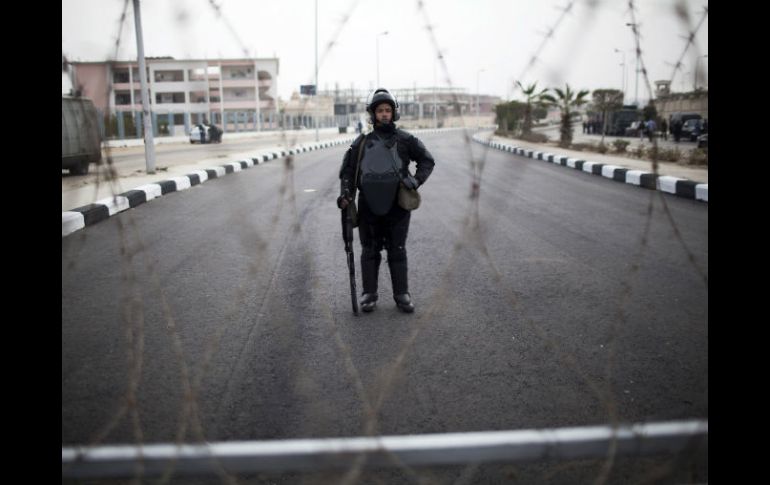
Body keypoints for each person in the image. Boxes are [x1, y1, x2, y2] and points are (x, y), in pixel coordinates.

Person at [337, 88, 435, 313]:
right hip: (368, 205)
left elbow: (427, 160)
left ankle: (402, 295)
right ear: (373, 114)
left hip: (397, 205)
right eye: (379, 110)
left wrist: (416, 180)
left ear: (394, 113)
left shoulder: (406, 140)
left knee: (397, 249)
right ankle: (369, 294)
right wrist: (346, 194)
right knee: (369, 250)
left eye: (387, 110)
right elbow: (348, 171)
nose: (383, 114)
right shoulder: (361, 142)